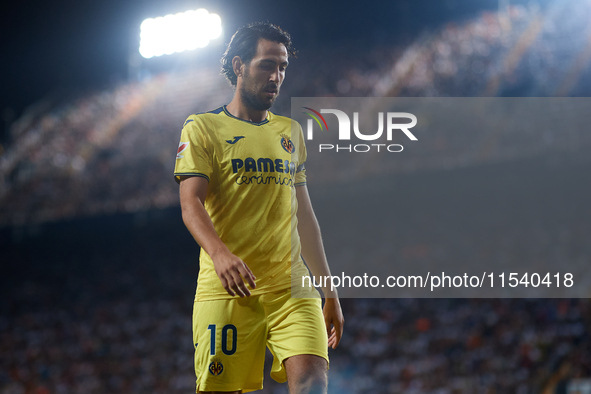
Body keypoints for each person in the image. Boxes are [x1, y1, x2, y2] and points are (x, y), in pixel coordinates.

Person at [174, 22, 344, 394]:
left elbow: (304, 216)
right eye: (267, 65)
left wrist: (329, 289)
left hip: (291, 286)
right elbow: (190, 203)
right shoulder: (202, 128)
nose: (276, 76)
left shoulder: (290, 133)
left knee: (313, 380)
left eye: (282, 67)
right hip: (228, 290)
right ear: (238, 66)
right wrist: (219, 254)